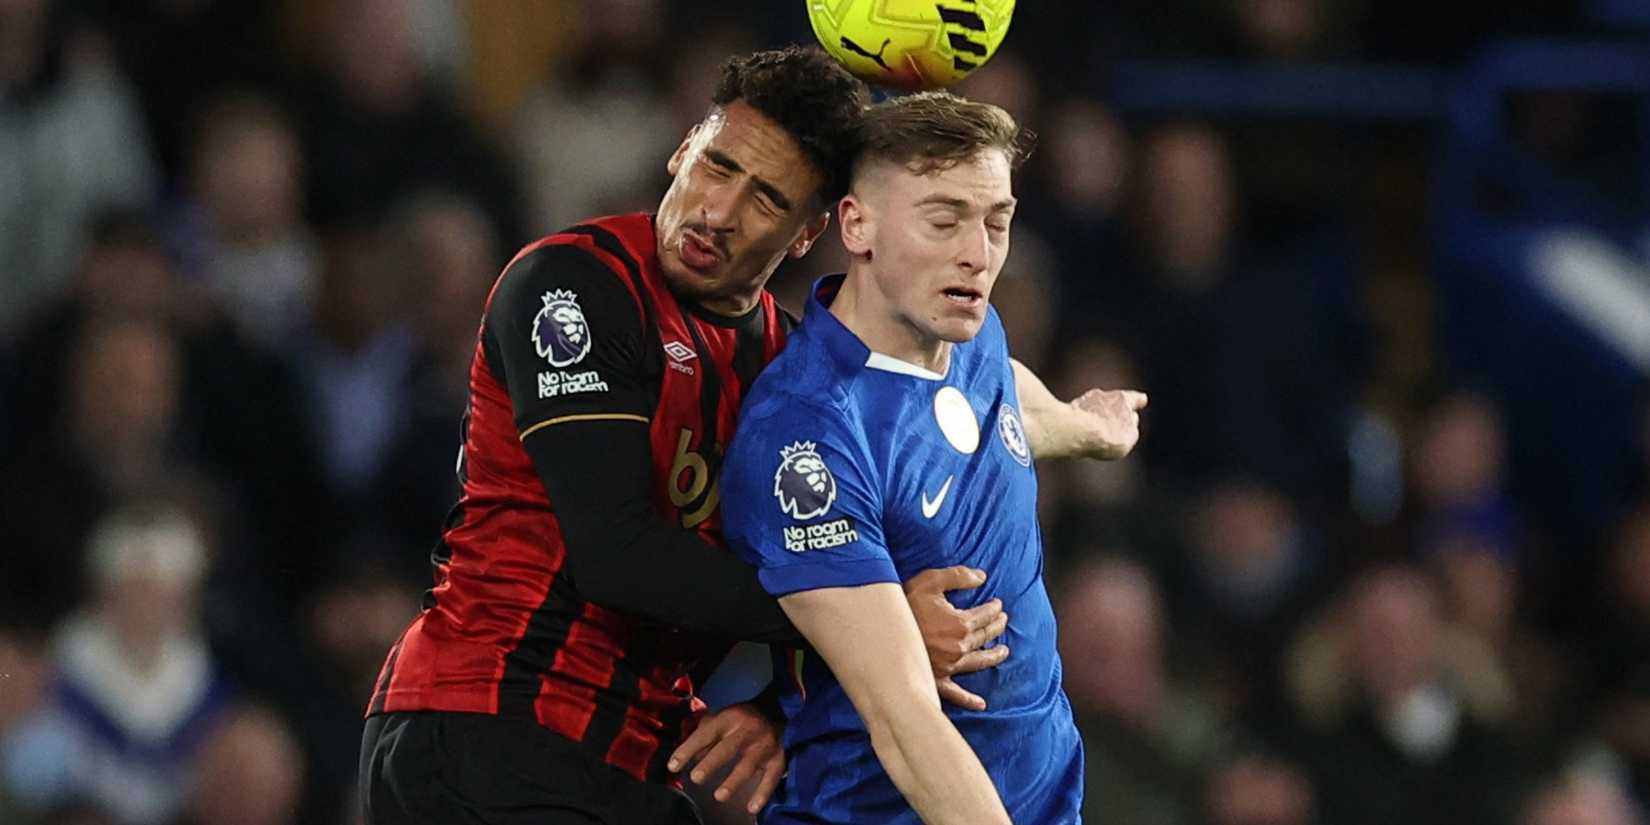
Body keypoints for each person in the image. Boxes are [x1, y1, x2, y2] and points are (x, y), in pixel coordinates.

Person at [718, 91, 1147, 824]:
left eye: (997, 223)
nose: (978, 255)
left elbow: (1000, 397)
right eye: (944, 221)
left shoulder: (968, 330)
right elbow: (905, 721)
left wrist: (1079, 426)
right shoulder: (808, 436)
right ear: (857, 225)